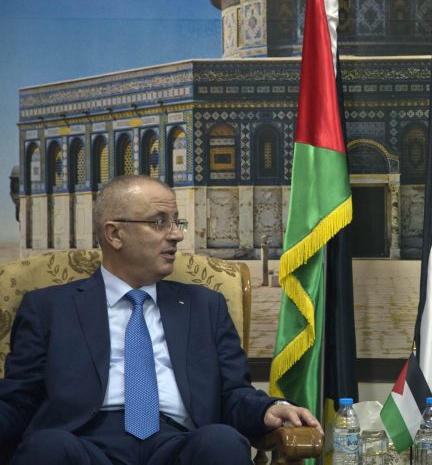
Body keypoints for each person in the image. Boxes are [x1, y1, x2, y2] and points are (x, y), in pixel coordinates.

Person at [0, 175, 321, 464]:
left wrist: (267, 409)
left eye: (176, 221)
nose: (177, 235)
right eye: (159, 222)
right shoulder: (49, 307)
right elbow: (18, 400)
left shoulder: (205, 306)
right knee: (46, 447)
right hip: (80, 442)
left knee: (221, 441)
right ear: (114, 233)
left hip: (179, 442)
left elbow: (232, 394)